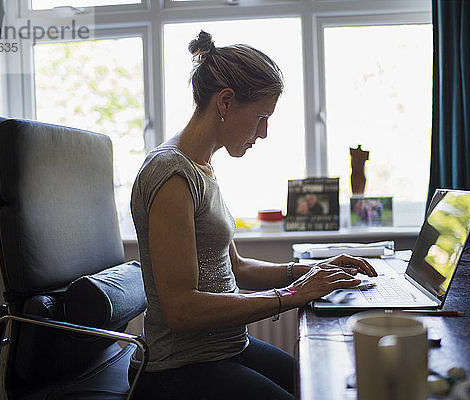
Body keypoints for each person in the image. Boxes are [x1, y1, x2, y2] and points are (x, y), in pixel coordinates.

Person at [129, 30, 377, 400]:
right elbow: (181, 309)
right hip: (179, 368)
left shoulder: (202, 167)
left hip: (227, 349)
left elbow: (237, 268)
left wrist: (313, 272)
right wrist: (290, 295)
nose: (263, 133)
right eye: (261, 117)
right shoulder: (171, 176)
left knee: (321, 384)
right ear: (225, 101)